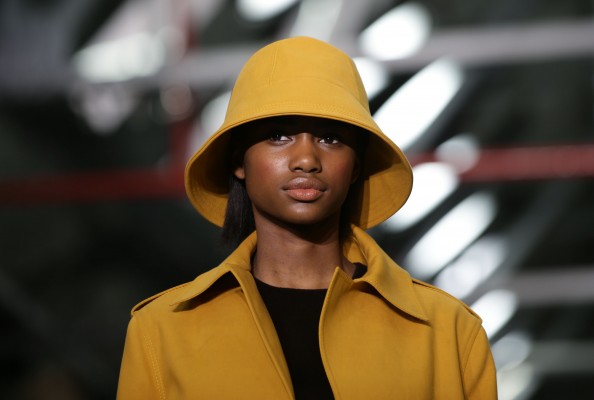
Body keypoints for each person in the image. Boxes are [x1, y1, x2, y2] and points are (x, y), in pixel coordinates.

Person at [116, 36, 497, 399]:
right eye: (278, 135)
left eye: (330, 138)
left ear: (355, 166)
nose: (306, 160)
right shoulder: (162, 332)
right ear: (238, 162)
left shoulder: (449, 332)